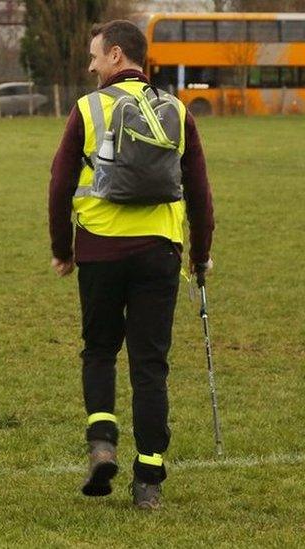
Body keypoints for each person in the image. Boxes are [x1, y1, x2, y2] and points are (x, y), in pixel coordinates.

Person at [48, 21, 214, 509]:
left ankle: (102, 444)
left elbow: (59, 185)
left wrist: (63, 248)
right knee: (150, 365)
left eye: (96, 56)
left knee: (99, 350)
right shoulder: (178, 112)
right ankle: (149, 479)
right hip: (160, 254)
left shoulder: (87, 108)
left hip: (99, 251)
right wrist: (200, 255)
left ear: (117, 55)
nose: (91, 65)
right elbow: (200, 193)